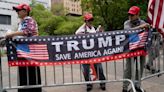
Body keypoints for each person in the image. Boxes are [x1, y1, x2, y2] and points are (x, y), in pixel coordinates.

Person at [5, 3, 42, 92]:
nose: (17, 12)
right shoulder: (23, 21)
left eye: (18, 10)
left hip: (30, 52)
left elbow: (28, 31)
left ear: (25, 11)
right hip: (24, 52)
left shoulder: (29, 20)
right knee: (24, 73)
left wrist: (11, 34)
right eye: (16, 10)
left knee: (31, 73)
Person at [75, 13, 106, 91]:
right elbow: (76, 37)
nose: (90, 22)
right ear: (85, 21)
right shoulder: (80, 30)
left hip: (95, 53)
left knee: (99, 68)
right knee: (85, 69)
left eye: (91, 20)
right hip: (84, 53)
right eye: (89, 20)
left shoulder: (94, 28)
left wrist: (101, 32)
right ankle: (88, 84)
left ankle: (102, 83)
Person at [122, 6, 149, 92]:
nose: (130, 16)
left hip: (140, 49)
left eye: (132, 15)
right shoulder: (127, 22)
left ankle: (137, 85)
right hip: (130, 50)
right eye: (129, 14)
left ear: (138, 15)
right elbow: (127, 31)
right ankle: (124, 87)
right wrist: (141, 27)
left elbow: (148, 31)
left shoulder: (142, 22)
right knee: (128, 69)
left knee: (139, 68)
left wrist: (147, 27)